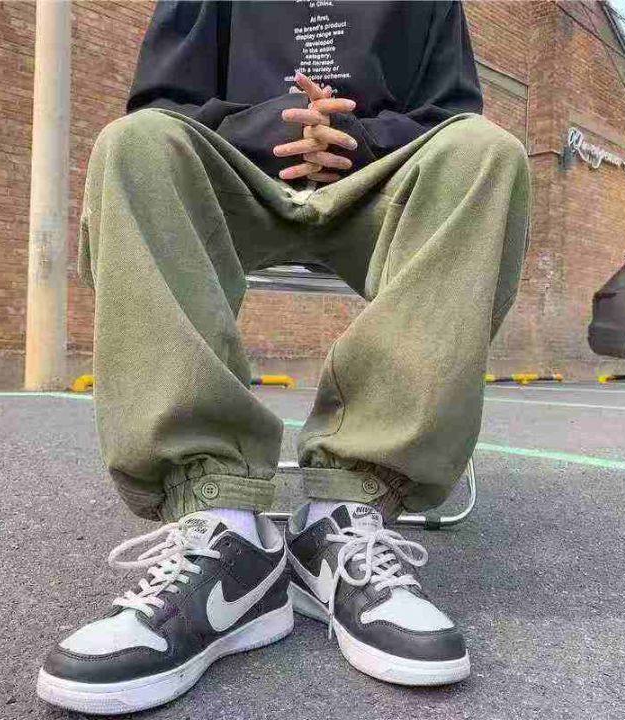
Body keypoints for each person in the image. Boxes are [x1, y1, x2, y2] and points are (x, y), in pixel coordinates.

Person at [36, 0, 531, 713]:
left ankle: (343, 514)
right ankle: (226, 527)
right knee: (134, 144)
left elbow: (452, 113)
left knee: (487, 153)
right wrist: (271, 128)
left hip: (377, 182)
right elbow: (162, 102)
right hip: (238, 176)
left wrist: (357, 137)